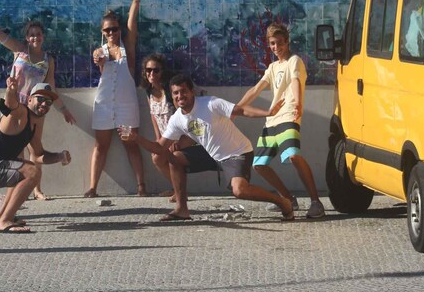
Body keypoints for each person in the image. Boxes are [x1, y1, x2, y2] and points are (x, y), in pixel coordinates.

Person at [122, 74, 295, 222]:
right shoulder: (177, 119)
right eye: (175, 93)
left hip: (237, 153)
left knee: (240, 190)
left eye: (183, 91)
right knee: (173, 157)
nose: (180, 96)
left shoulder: (210, 103)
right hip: (211, 154)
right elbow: (159, 148)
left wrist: (268, 113)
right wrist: (136, 138)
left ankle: (282, 202)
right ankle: (182, 209)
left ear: (192, 92)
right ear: (172, 96)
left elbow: (241, 111)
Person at [0, 0, 75, 200]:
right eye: (31, 35)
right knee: (14, 148)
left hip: (36, 109)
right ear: (26, 38)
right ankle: (16, 189)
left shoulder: (49, 60)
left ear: (43, 36)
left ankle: (36, 189)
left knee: (35, 148)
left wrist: (64, 110)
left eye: (38, 34)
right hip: (14, 105)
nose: (35, 37)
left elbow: (51, 87)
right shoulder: (19, 51)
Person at [237, 23, 325, 219]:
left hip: (288, 115)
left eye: (279, 43)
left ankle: (316, 202)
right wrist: (236, 109)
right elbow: (255, 89)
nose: (276, 48)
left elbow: (295, 81)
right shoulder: (272, 67)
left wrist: (298, 104)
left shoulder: (294, 61)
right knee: (259, 164)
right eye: (272, 44)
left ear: (287, 42)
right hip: (271, 121)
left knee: (293, 155)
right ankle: (287, 198)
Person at [0, 80, 72, 233]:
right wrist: (11, 90)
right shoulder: (21, 113)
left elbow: (38, 155)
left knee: (25, 169)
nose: (44, 104)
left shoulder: (33, 126)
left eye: (49, 102)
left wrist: (59, 157)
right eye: (41, 99)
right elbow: (10, 104)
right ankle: (5, 221)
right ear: (29, 99)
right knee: (31, 171)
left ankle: (0, 217)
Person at [86, 0, 145, 197]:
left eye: (114, 29)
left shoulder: (127, 47)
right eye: (108, 30)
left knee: (131, 144)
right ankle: (92, 188)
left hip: (126, 104)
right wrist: (98, 59)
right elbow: (97, 59)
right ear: (103, 32)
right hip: (104, 105)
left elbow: (133, 21)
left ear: (119, 29)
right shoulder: (100, 51)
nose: (112, 33)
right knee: (101, 146)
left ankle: (141, 187)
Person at [141, 53, 206, 200]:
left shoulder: (169, 91)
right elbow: (153, 115)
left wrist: (178, 139)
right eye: (148, 70)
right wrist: (158, 138)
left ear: (162, 71)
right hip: (167, 136)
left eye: (156, 70)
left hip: (183, 135)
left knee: (169, 156)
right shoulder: (148, 91)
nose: (152, 74)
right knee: (157, 158)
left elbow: (185, 114)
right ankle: (177, 189)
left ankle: (179, 191)